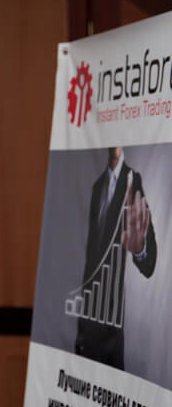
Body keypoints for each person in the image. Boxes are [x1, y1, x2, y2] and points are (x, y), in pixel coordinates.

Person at [74, 146, 156, 369]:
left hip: (112, 321)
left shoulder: (133, 181)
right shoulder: (97, 186)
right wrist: (81, 326)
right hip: (88, 319)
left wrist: (140, 249)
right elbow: (91, 259)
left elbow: (149, 263)